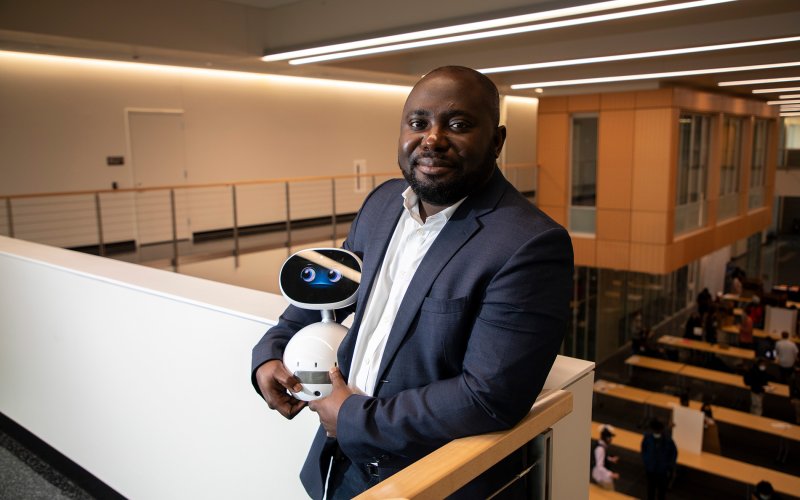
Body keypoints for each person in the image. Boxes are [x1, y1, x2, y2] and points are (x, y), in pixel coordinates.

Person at [250, 66, 573, 499]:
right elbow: (333, 285)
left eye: (458, 124)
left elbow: (489, 397)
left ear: (496, 141)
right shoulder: (382, 204)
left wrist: (352, 417)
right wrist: (270, 352)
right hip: (340, 467)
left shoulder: (529, 244)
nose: (432, 138)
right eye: (418, 122)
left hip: (432, 478)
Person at [640, 418, 677, 500]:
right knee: (651, 490)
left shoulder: (667, 440)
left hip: (662, 470)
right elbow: (643, 450)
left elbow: (673, 454)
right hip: (651, 469)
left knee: (661, 492)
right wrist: (646, 463)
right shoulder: (648, 438)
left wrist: (668, 466)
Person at [591, 425, 619, 490]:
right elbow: (599, 466)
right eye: (610, 437)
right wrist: (611, 474)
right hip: (602, 477)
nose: (611, 439)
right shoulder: (600, 449)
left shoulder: (600, 445)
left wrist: (610, 459)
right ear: (607, 438)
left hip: (598, 474)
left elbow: (600, 457)